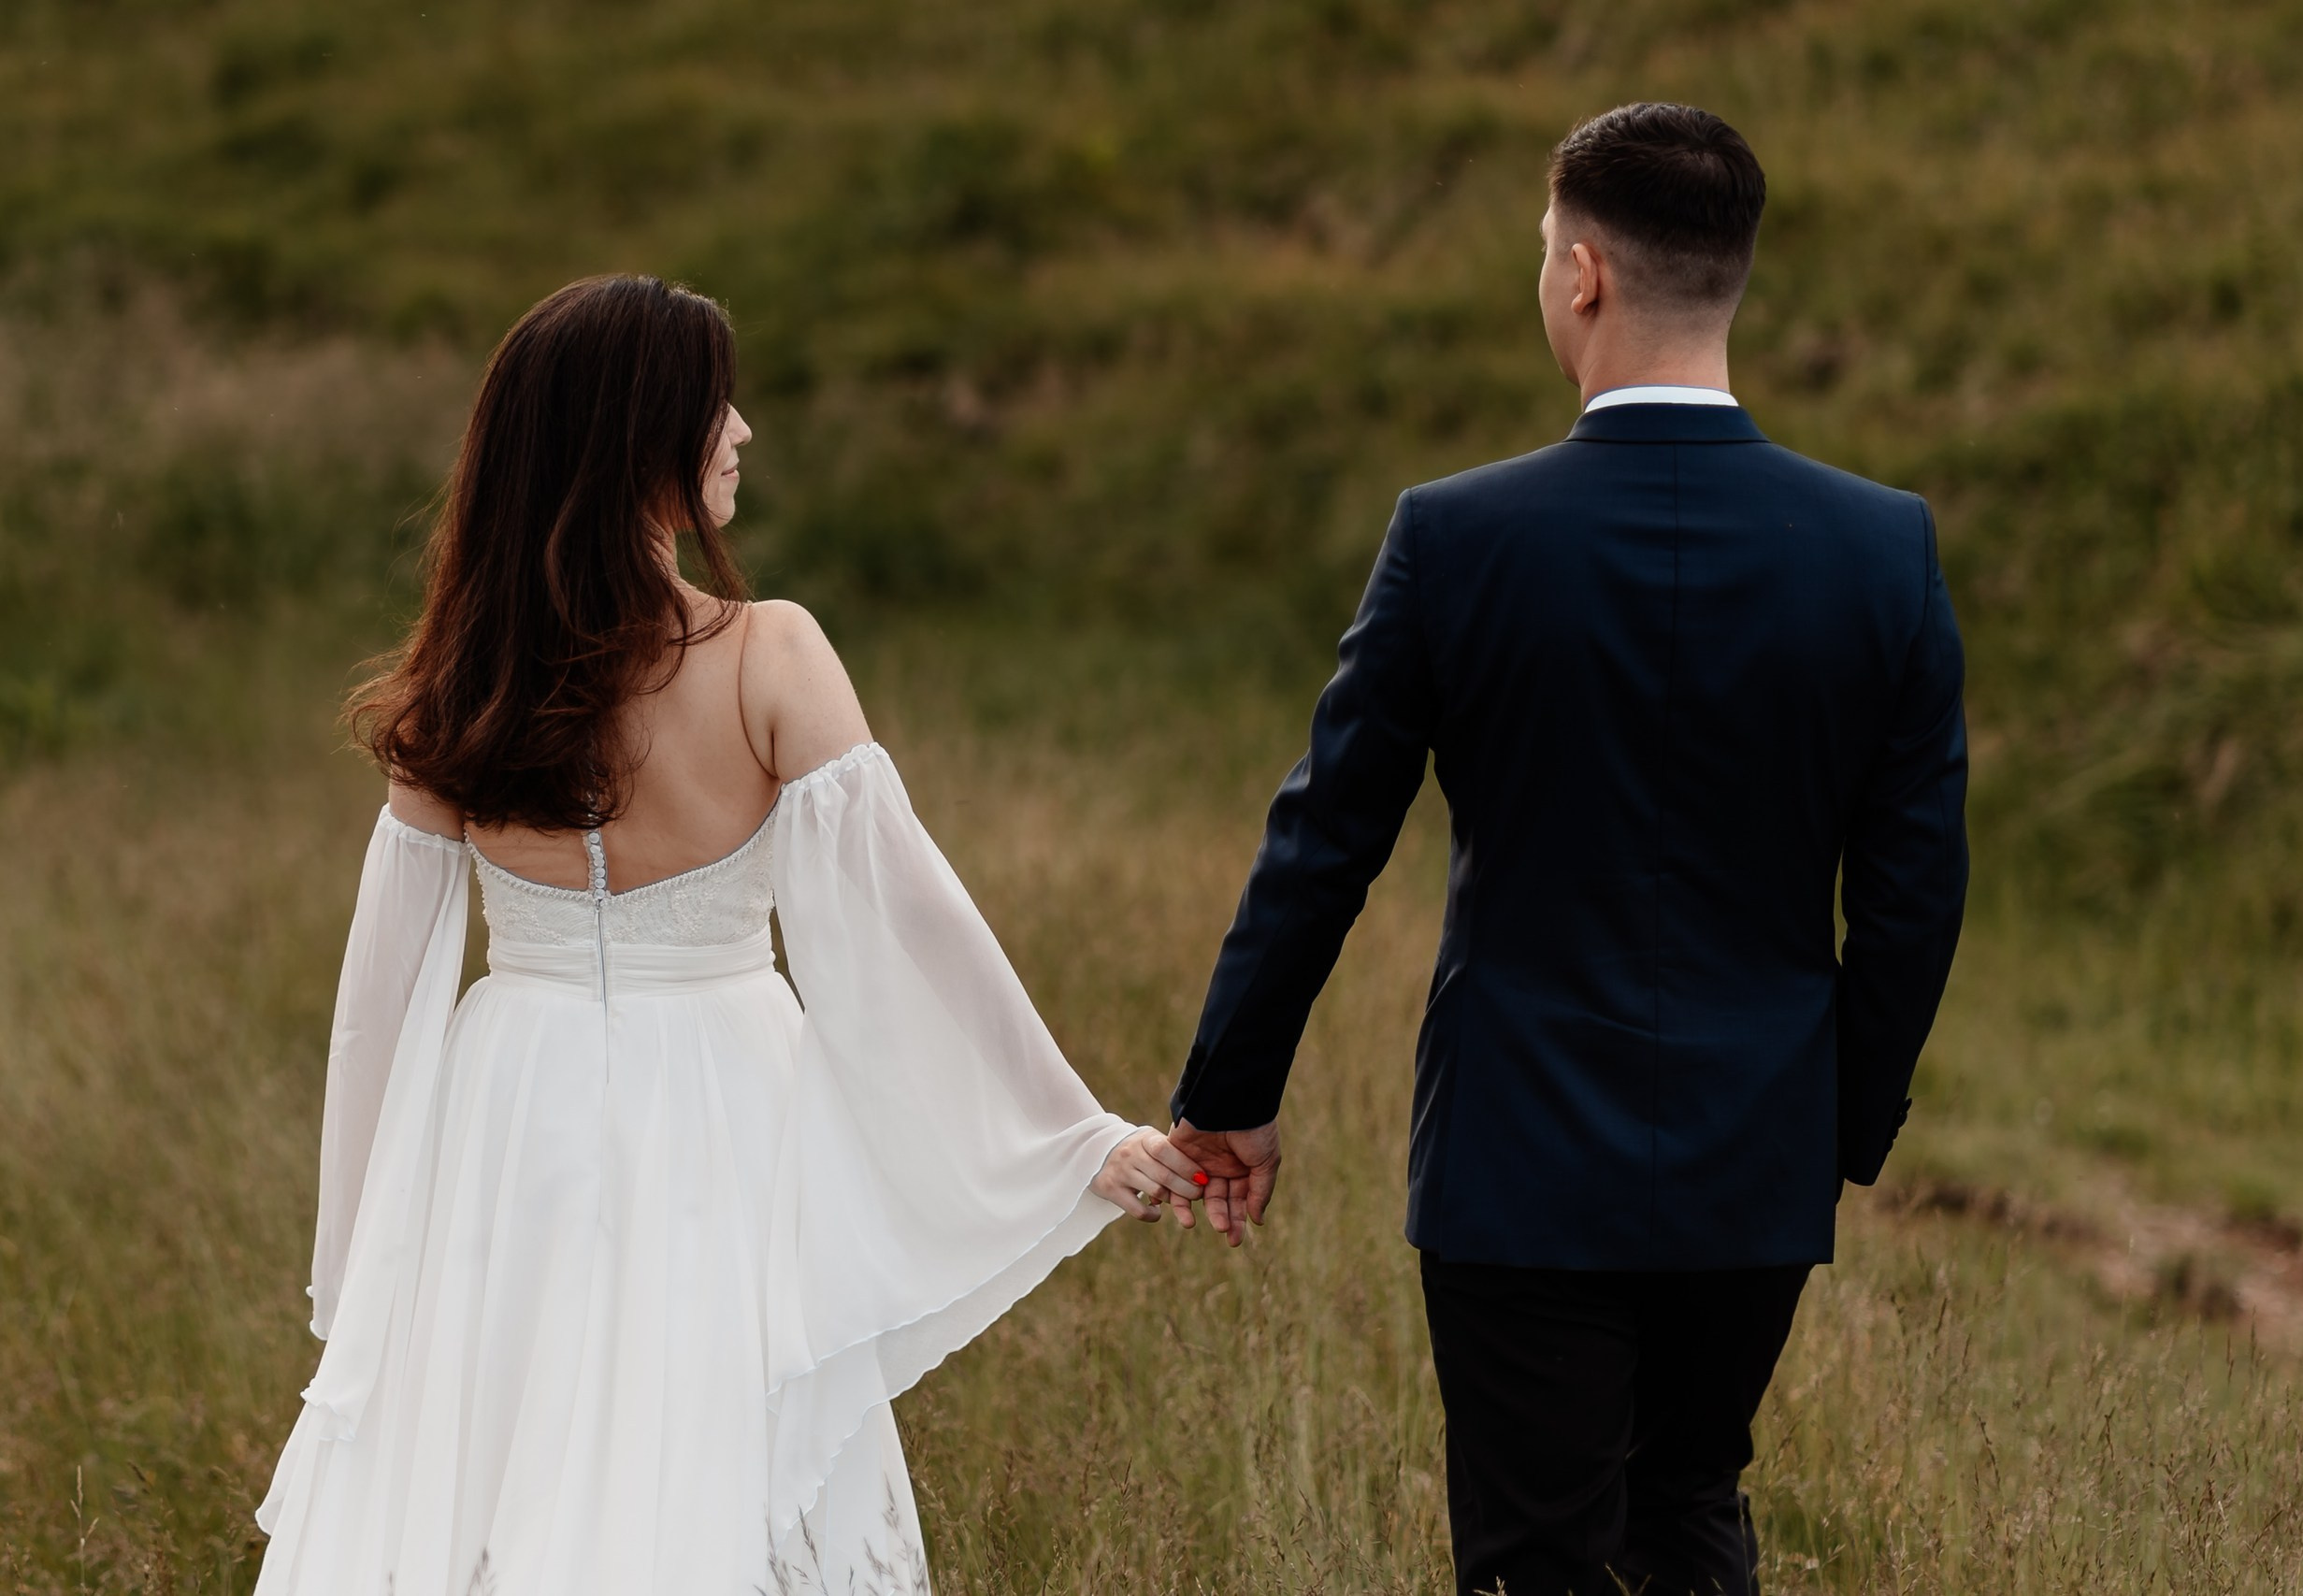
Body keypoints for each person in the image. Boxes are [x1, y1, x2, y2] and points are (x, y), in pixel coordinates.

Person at [252, 274, 1206, 1595]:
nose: (742, 430)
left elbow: (376, 1004)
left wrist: (365, 1267)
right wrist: (1076, 1134)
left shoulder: (458, 682)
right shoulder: (770, 653)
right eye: (717, 406)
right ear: (643, 439)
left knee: (504, 1461)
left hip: (505, 1113)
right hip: (723, 1098)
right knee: (708, 1454)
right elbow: (910, 921)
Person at [1165, 104, 1970, 1596]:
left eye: (1544, 253)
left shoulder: (1455, 538)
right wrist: (1832, 1126)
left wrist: (1231, 1093)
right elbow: (1917, 894)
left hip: (1515, 1153)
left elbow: (1326, 841)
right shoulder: (1883, 550)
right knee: (1690, 1504)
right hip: (1754, 1159)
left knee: (1538, 1556)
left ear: (1584, 275)